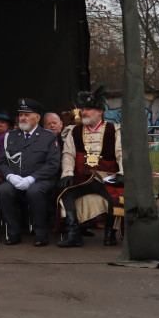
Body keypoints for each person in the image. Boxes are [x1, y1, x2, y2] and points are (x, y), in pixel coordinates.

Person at [56, 87, 123, 248]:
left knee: (115, 196)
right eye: (83, 109)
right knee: (65, 192)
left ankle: (110, 233)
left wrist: (122, 172)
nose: (84, 112)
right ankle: (74, 234)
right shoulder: (74, 131)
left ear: (100, 111)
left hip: (107, 175)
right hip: (83, 176)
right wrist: (67, 173)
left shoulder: (115, 130)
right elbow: (68, 155)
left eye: (88, 109)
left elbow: (121, 153)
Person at [0, 98, 60, 246]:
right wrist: (10, 176)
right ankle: (13, 233)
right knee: (3, 190)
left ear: (37, 118)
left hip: (41, 180)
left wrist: (32, 178)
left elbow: (53, 164)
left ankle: (41, 234)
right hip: (16, 179)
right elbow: (3, 162)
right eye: (21, 114)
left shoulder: (49, 137)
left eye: (27, 115)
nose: (22, 118)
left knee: (35, 192)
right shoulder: (10, 136)